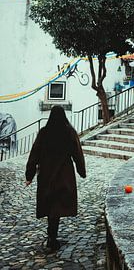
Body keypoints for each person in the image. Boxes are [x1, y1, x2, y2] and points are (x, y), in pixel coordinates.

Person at [25, 105, 86, 252]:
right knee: (57, 205)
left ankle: (52, 235)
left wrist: (29, 175)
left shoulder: (44, 133)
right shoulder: (69, 132)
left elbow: (34, 154)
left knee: (51, 203)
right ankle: (52, 236)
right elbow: (77, 153)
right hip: (64, 174)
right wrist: (81, 171)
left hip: (46, 174)